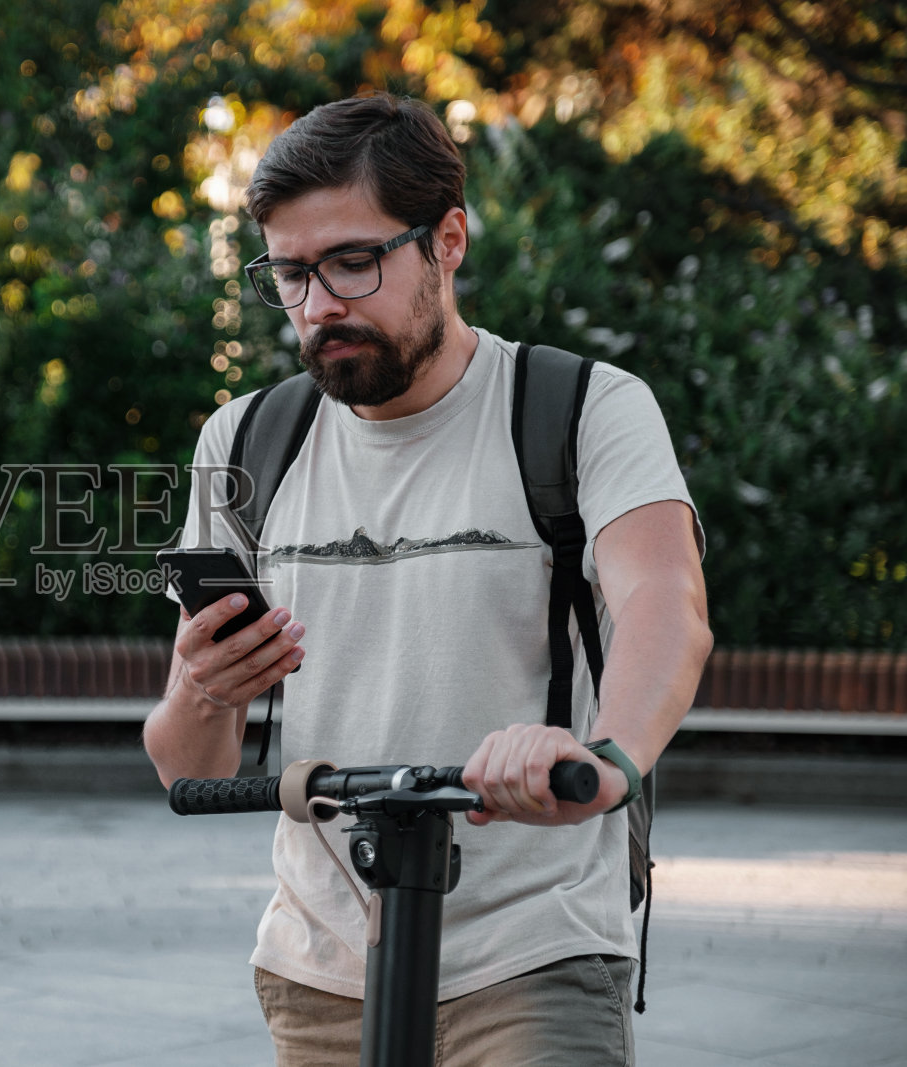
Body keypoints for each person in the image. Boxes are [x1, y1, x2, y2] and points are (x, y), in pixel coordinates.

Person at [143, 93, 713, 1066]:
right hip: (320, 968)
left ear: (447, 240)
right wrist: (205, 682)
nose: (319, 303)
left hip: (534, 955)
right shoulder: (244, 439)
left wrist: (604, 757)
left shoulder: (579, 408)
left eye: (352, 262)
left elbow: (665, 604)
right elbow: (187, 763)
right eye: (290, 274)